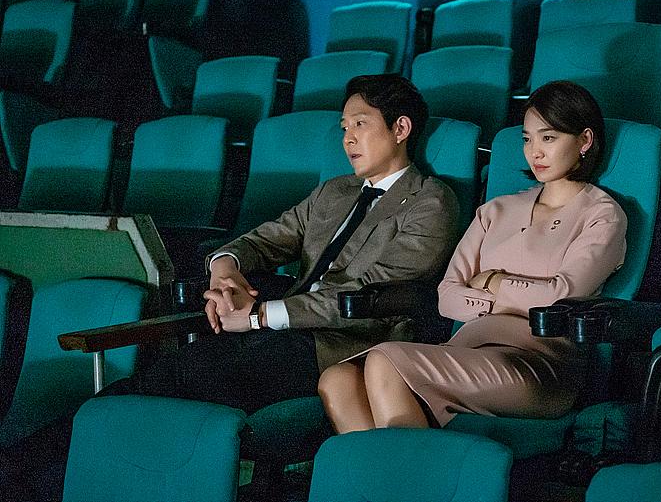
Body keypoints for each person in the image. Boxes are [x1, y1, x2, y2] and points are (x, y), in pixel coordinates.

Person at [101, 74, 459, 414]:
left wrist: (258, 317)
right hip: (277, 330)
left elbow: (366, 292)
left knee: (185, 386)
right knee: (160, 377)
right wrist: (225, 271)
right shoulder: (334, 191)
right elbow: (267, 239)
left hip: (341, 345)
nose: (348, 139)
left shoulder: (431, 201)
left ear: (400, 128)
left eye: (360, 124)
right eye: (344, 128)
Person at [318, 80, 627, 432]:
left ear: (584, 141)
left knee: (384, 360)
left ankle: (409, 468)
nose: (535, 152)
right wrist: (514, 299)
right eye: (527, 139)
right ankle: (397, 468)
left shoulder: (602, 215)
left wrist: (492, 281)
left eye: (549, 138)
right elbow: (448, 297)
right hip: (467, 349)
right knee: (337, 379)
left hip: (539, 361)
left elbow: (560, 297)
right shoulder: (496, 210)